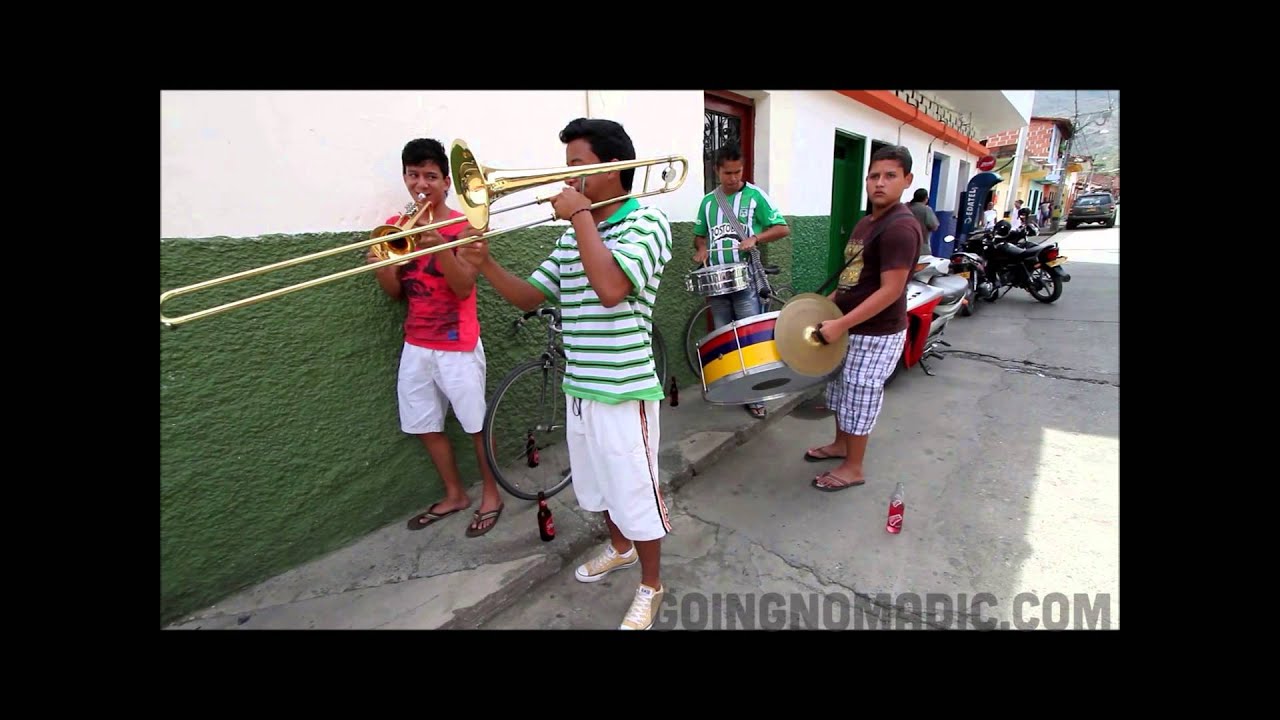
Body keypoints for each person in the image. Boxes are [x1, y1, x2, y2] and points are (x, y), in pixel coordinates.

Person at [457, 118, 674, 630]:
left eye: (576, 165)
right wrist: (486, 264)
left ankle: (651, 584)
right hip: (581, 387)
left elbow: (612, 289)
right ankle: (618, 549)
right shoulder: (571, 239)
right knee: (598, 489)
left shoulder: (649, 223)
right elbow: (530, 297)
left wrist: (580, 218)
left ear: (614, 168)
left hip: (625, 390)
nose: (566, 175)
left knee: (636, 492)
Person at [366, 138, 505, 538]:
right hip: (417, 344)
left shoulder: (466, 226)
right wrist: (382, 264)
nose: (421, 184)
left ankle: (491, 494)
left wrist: (437, 244)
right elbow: (395, 294)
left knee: (475, 425)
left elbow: (463, 287)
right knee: (425, 423)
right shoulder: (395, 227)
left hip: (458, 344)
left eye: (430, 176)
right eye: (413, 175)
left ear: (447, 181)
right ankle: (455, 494)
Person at [803, 145, 921, 491]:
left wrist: (840, 323)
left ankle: (853, 466)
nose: (879, 183)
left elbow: (890, 291)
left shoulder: (901, 228)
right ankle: (841, 445)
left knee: (861, 393)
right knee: (841, 389)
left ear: (907, 180)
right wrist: (825, 307)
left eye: (889, 176)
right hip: (850, 326)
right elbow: (851, 278)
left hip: (876, 333)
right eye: (873, 176)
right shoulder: (866, 222)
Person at [691, 142, 791, 419]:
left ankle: (756, 396)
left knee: (749, 337)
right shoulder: (708, 202)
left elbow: (783, 227)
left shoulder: (755, 196)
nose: (734, 178)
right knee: (725, 338)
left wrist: (756, 238)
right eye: (728, 173)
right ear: (717, 171)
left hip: (745, 279)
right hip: (717, 283)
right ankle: (733, 389)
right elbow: (700, 234)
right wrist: (700, 249)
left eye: (738, 172)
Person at [907, 188, 939, 255]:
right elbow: (934, 226)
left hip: (904, 245)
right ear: (925, 198)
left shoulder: (906, 207)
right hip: (921, 248)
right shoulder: (926, 210)